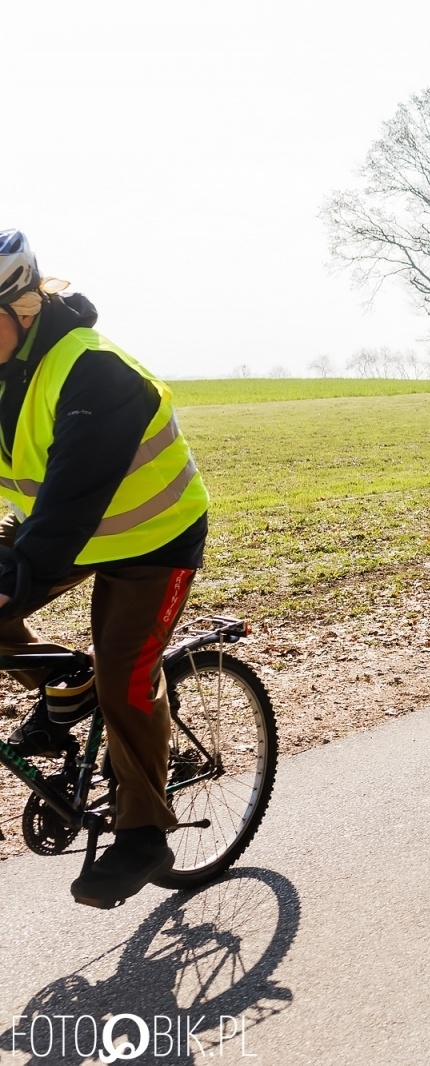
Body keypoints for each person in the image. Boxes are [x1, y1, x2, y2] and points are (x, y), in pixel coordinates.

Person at [0, 230, 209, 909]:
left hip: (152, 535)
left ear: (24, 308)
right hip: (63, 529)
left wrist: (16, 578)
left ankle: (145, 832)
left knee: (125, 668)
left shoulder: (93, 373)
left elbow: (68, 509)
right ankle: (69, 681)